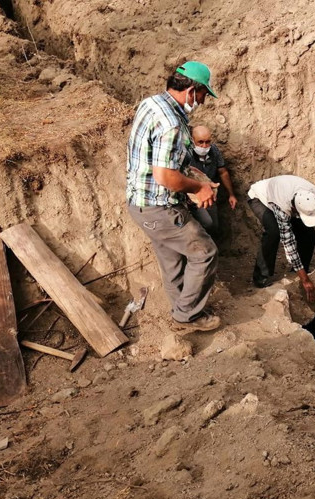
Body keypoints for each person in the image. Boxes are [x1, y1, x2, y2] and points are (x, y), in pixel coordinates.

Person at [126, 61, 221, 331]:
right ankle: (187, 315)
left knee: (173, 261)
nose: (202, 101)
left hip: (140, 204)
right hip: (160, 208)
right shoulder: (172, 125)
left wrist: (190, 172)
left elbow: (155, 157)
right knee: (205, 253)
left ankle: (181, 311)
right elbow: (165, 176)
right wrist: (198, 188)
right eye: (202, 95)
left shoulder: (152, 103)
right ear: (191, 90)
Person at [247, 175, 315, 301]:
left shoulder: (314, 195)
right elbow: (288, 243)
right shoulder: (282, 206)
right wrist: (305, 280)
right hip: (260, 198)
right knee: (274, 232)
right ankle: (261, 277)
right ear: (294, 209)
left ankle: (299, 271)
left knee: (309, 234)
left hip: (286, 194)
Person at [189, 125, 238, 235]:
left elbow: (223, 172)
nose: (204, 146)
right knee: (206, 223)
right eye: (200, 142)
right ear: (192, 140)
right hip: (193, 196)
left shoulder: (214, 150)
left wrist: (231, 194)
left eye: (207, 142)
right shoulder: (186, 154)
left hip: (210, 194)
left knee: (214, 226)